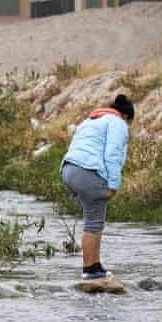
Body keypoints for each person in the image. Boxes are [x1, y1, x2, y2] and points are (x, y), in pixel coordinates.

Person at [61, 94, 134, 280]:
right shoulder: (118, 123)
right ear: (126, 116)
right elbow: (113, 155)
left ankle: (95, 265)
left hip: (68, 170)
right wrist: (113, 185)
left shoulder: (89, 121)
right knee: (94, 222)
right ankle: (90, 269)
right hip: (87, 171)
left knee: (92, 219)